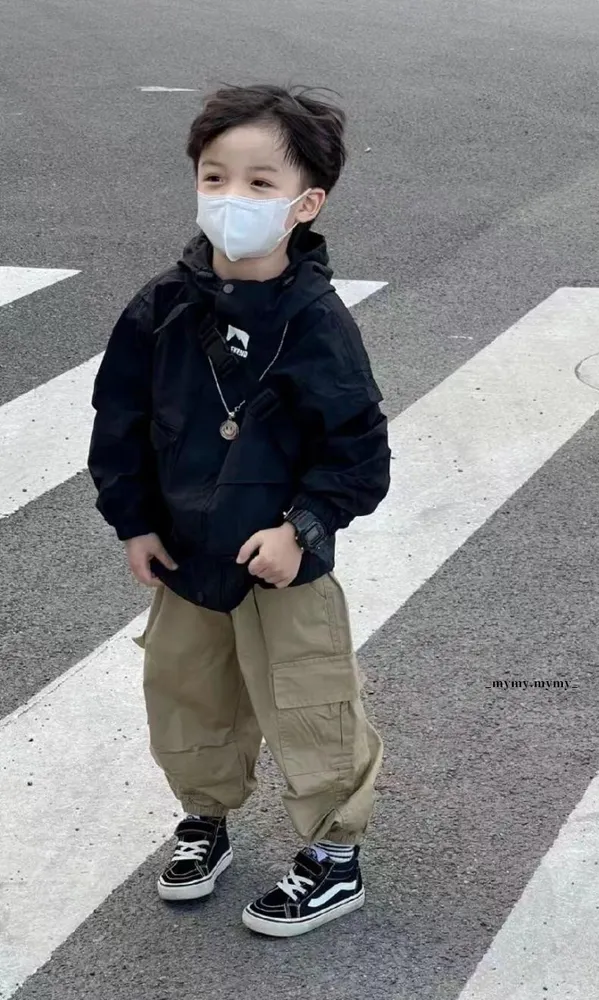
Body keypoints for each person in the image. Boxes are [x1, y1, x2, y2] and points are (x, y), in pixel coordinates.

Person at [87, 83, 390, 938]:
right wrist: (134, 521)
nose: (232, 199)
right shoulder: (161, 308)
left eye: (260, 184)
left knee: (309, 700)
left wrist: (304, 528)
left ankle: (333, 853)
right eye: (214, 177)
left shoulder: (315, 321)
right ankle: (205, 818)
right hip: (186, 554)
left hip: (281, 563)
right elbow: (119, 423)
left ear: (306, 203)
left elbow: (359, 452)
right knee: (187, 693)